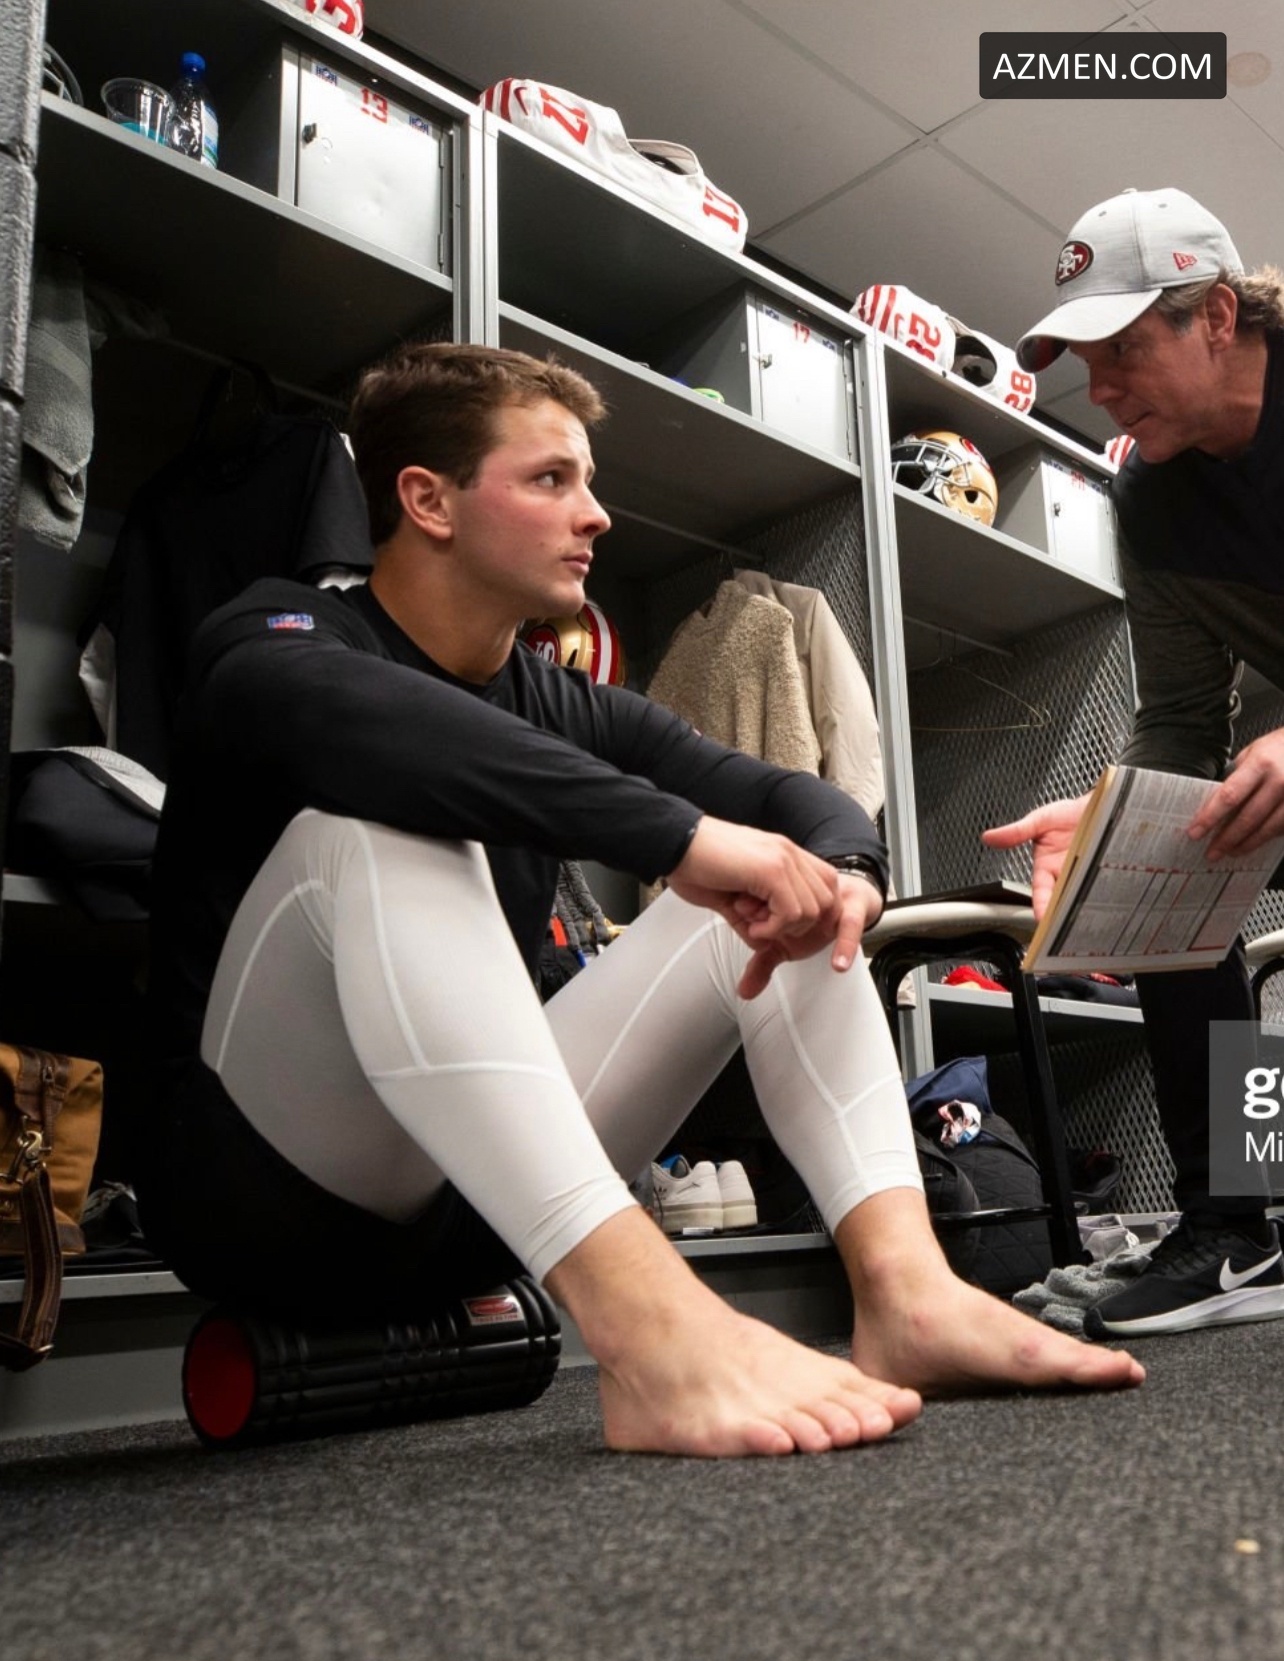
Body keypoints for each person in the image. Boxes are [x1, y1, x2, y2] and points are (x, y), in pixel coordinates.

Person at [136, 341, 1141, 1459]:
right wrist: (684, 837)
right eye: (551, 479)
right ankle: (646, 1329)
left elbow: (795, 796)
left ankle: (909, 1296)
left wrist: (844, 877)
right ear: (427, 500)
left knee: (787, 893)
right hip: (255, 1192)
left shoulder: (559, 697)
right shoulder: (278, 633)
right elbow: (338, 715)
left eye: (590, 481)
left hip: (477, 1209)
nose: (597, 514)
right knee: (381, 819)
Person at [986, 185, 1284, 1340]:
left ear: (1217, 314)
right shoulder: (1154, 496)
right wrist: (1129, 818)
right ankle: (1237, 1225)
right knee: (1171, 870)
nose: (1099, 385)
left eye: (1122, 349)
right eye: (1083, 358)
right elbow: (1179, 717)